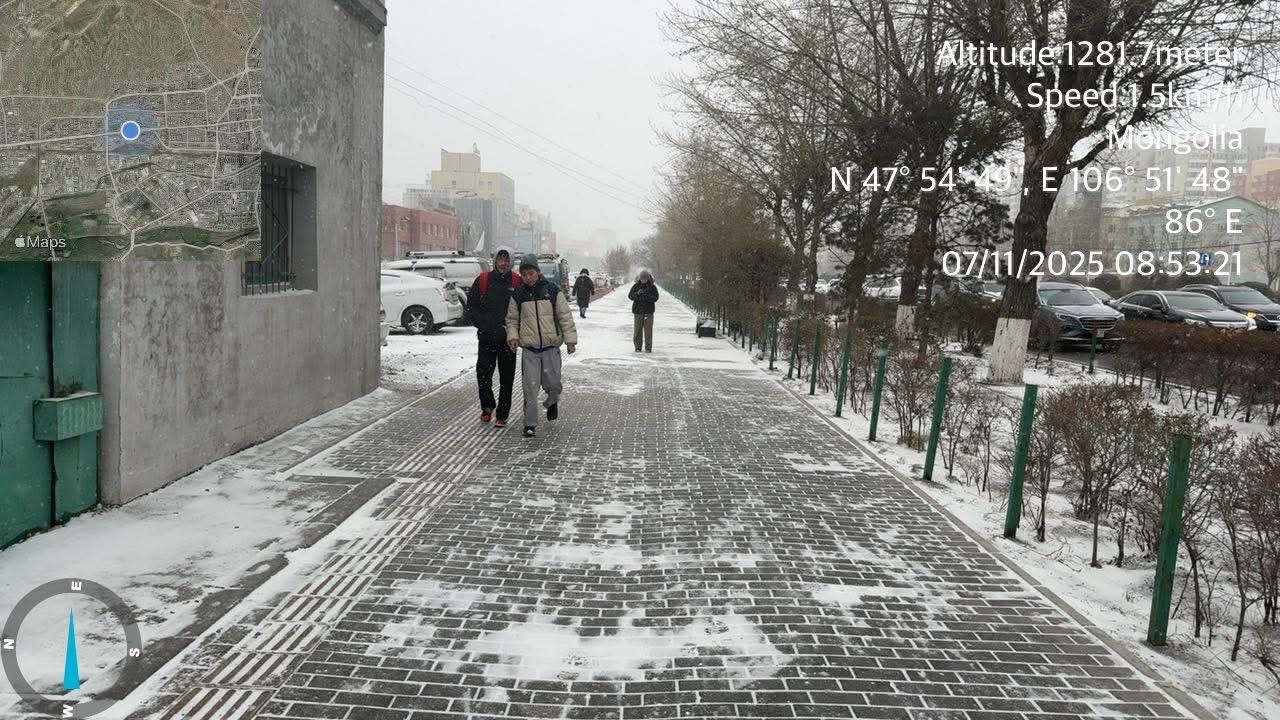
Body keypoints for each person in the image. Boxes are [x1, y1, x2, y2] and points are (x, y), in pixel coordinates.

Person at [507, 254, 578, 438]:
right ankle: (530, 424)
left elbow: (565, 316)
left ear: (538, 272)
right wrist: (513, 337)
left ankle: (552, 402)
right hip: (530, 350)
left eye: (531, 273)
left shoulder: (552, 290)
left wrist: (570, 340)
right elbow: (512, 320)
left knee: (553, 384)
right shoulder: (518, 295)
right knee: (530, 388)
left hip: (550, 348)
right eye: (524, 274)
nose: (528, 277)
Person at [466, 247, 521, 428]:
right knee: (483, 375)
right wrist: (481, 324)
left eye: (507, 260)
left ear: (511, 262)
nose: (503, 263)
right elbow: (471, 305)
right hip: (487, 338)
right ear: (495, 260)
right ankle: (487, 407)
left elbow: (524, 307)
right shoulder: (483, 280)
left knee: (507, 378)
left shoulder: (517, 281)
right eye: (500, 259)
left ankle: (502, 415)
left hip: (508, 340)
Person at [629, 270, 659, 352]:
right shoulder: (636, 286)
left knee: (648, 331)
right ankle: (637, 347)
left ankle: (648, 348)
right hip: (638, 311)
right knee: (637, 330)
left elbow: (656, 297)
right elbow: (630, 296)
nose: (643, 280)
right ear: (640, 278)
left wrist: (646, 296)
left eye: (645, 278)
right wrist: (637, 294)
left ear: (648, 278)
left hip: (648, 312)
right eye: (642, 278)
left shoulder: (652, 287)